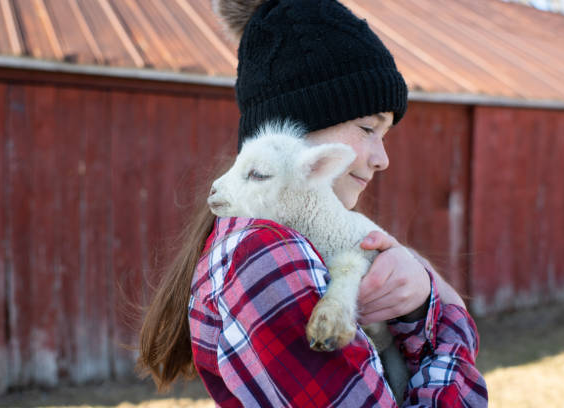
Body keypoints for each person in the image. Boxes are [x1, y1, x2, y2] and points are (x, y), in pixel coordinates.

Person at [138, 0, 488, 406]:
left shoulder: (302, 242)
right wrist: (448, 310)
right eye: (367, 128)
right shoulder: (263, 256)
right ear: (296, 132)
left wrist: (420, 297)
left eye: (385, 134)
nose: (382, 158)